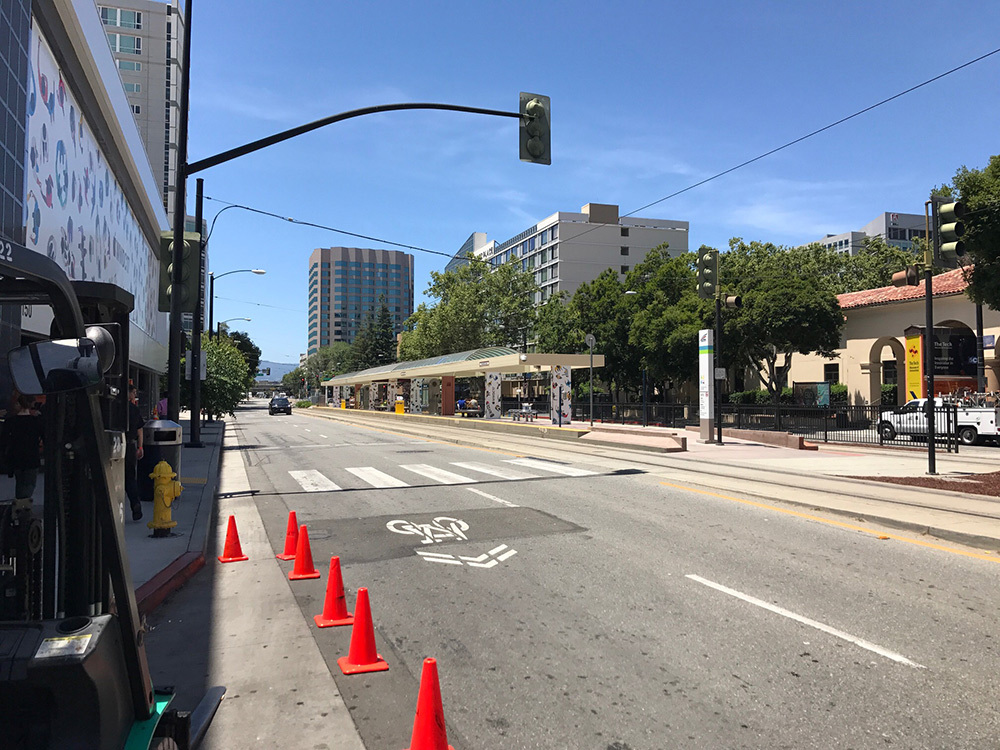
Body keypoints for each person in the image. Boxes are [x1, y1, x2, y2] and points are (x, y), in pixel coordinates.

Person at [2, 393, 43, 501]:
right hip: (32, 457)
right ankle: (24, 508)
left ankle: (19, 507)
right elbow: (44, 437)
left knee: (19, 483)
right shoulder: (36, 421)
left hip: (16, 458)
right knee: (29, 484)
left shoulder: (10, 422)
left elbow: (4, 441)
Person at [126, 385, 145, 521]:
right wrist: (140, 447)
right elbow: (139, 430)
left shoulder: (112, 407)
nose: (134, 395)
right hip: (129, 446)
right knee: (130, 478)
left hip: (113, 444)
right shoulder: (134, 409)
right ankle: (135, 504)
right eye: (133, 392)